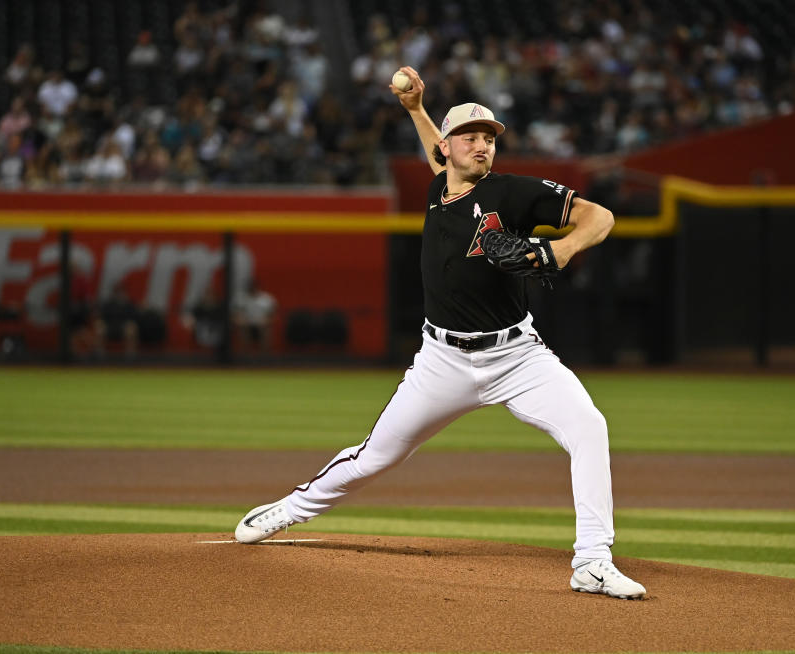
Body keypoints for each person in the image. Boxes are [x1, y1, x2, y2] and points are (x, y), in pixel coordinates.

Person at [234, 66, 646, 600]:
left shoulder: (513, 193)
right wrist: (415, 111)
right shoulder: (437, 188)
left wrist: (558, 250)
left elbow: (601, 216)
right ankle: (290, 508)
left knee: (589, 428)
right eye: (470, 138)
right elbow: (436, 150)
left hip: (517, 356)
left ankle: (592, 561)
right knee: (375, 457)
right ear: (449, 150)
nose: (482, 146)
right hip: (442, 362)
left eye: (489, 138)